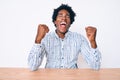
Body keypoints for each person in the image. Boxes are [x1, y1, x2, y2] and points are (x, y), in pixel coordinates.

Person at [28, 4, 101, 71]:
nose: (64, 18)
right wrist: (38, 40)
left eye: (67, 16)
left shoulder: (79, 39)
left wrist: (93, 42)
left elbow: (96, 66)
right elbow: (32, 66)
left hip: (72, 78)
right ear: (55, 21)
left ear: (70, 22)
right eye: (60, 16)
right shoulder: (45, 38)